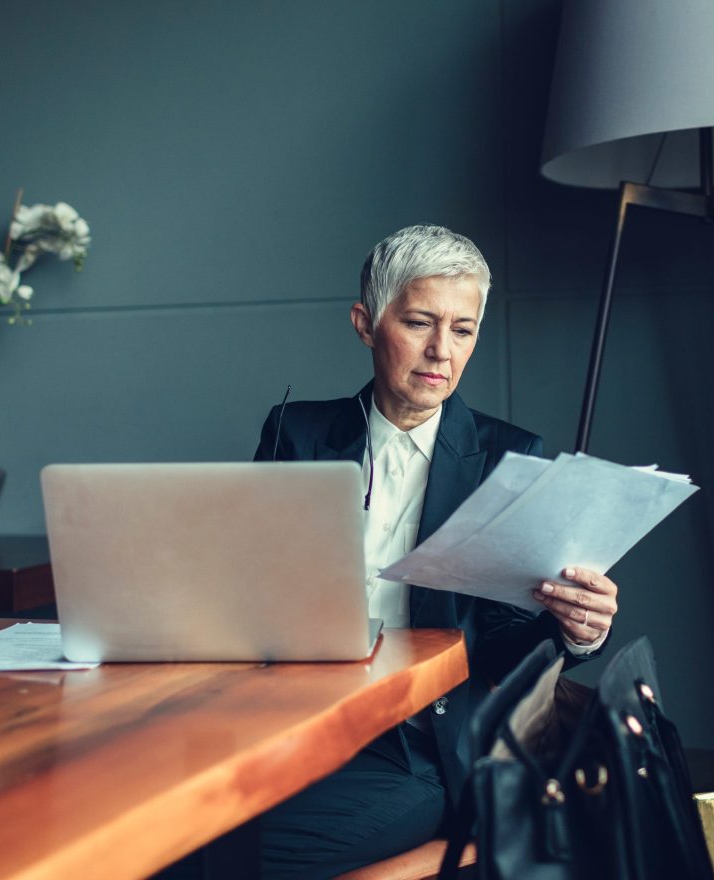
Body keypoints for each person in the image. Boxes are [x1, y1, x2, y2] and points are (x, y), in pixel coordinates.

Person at [252, 224, 619, 878]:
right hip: (293, 719)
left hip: (421, 744)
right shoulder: (296, 432)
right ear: (366, 324)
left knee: (245, 853)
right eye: (420, 322)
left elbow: (503, 644)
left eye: (463, 330)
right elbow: (251, 589)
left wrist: (576, 633)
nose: (440, 351)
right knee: (154, 824)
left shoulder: (509, 459)